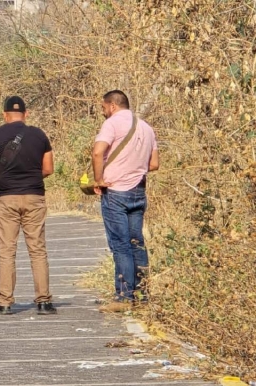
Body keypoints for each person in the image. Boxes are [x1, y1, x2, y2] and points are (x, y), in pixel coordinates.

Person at [0, 96, 57, 316]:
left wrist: (3, 176)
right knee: (37, 250)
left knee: (7, 251)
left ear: (5, 115)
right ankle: (43, 301)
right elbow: (49, 168)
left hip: (6, 199)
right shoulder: (39, 135)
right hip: (34, 196)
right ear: (26, 114)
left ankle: (4, 302)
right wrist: (31, 175)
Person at [91, 90, 159, 313]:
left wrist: (99, 179)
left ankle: (123, 296)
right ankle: (142, 295)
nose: (103, 112)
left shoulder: (112, 124)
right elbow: (154, 163)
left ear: (111, 106)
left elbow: (97, 153)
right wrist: (134, 167)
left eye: (103, 108)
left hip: (116, 191)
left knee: (120, 244)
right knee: (136, 242)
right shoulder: (146, 127)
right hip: (138, 190)